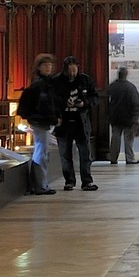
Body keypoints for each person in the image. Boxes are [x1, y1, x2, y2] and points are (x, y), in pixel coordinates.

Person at [16, 54, 60, 195]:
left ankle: (41, 184)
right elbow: (26, 109)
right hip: (40, 123)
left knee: (43, 153)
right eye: (45, 65)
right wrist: (39, 118)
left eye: (50, 65)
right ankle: (40, 185)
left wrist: (56, 117)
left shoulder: (49, 85)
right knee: (41, 153)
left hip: (46, 123)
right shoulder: (36, 86)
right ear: (39, 67)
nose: (49, 67)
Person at [55, 56, 99, 191]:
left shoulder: (85, 80)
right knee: (65, 154)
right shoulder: (57, 82)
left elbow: (95, 98)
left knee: (85, 153)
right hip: (64, 123)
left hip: (81, 122)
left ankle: (87, 181)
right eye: (70, 71)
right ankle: (69, 181)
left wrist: (84, 103)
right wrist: (63, 103)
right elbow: (52, 99)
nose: (73, 73)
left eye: (75, 70)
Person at [106, 64, 139, 165]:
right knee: (129, 139)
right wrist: (136, 116)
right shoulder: (130, 87)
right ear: (126, 75)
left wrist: (108, 116)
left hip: (115, 117)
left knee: (115, 139)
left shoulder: (112, 86)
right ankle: (130, 158)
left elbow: (106, 102)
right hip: (128, 118)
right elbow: (136, 102)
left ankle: (113, 158)